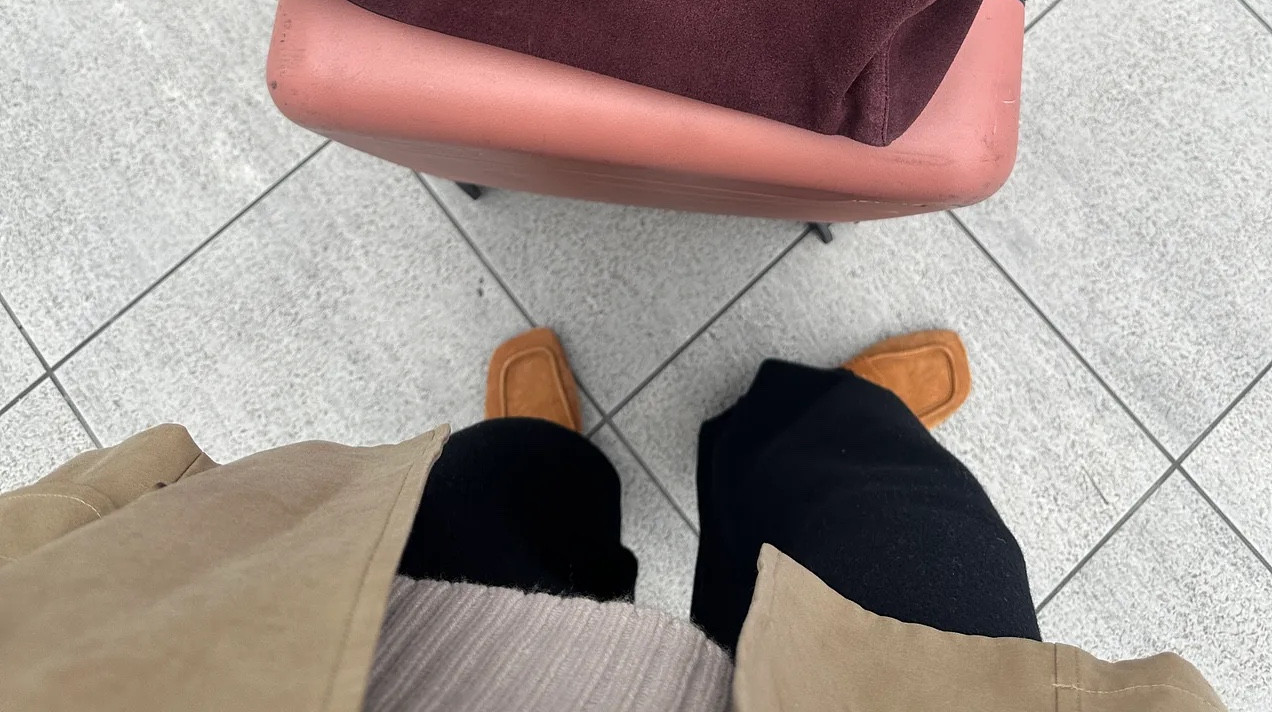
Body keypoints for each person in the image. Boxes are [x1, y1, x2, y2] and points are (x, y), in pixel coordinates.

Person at [0, 328, 1222, 712]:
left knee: (505, 484)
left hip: (329, 657)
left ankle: (570, 463)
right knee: (900, 516)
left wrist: (135, 502)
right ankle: (814, 423)